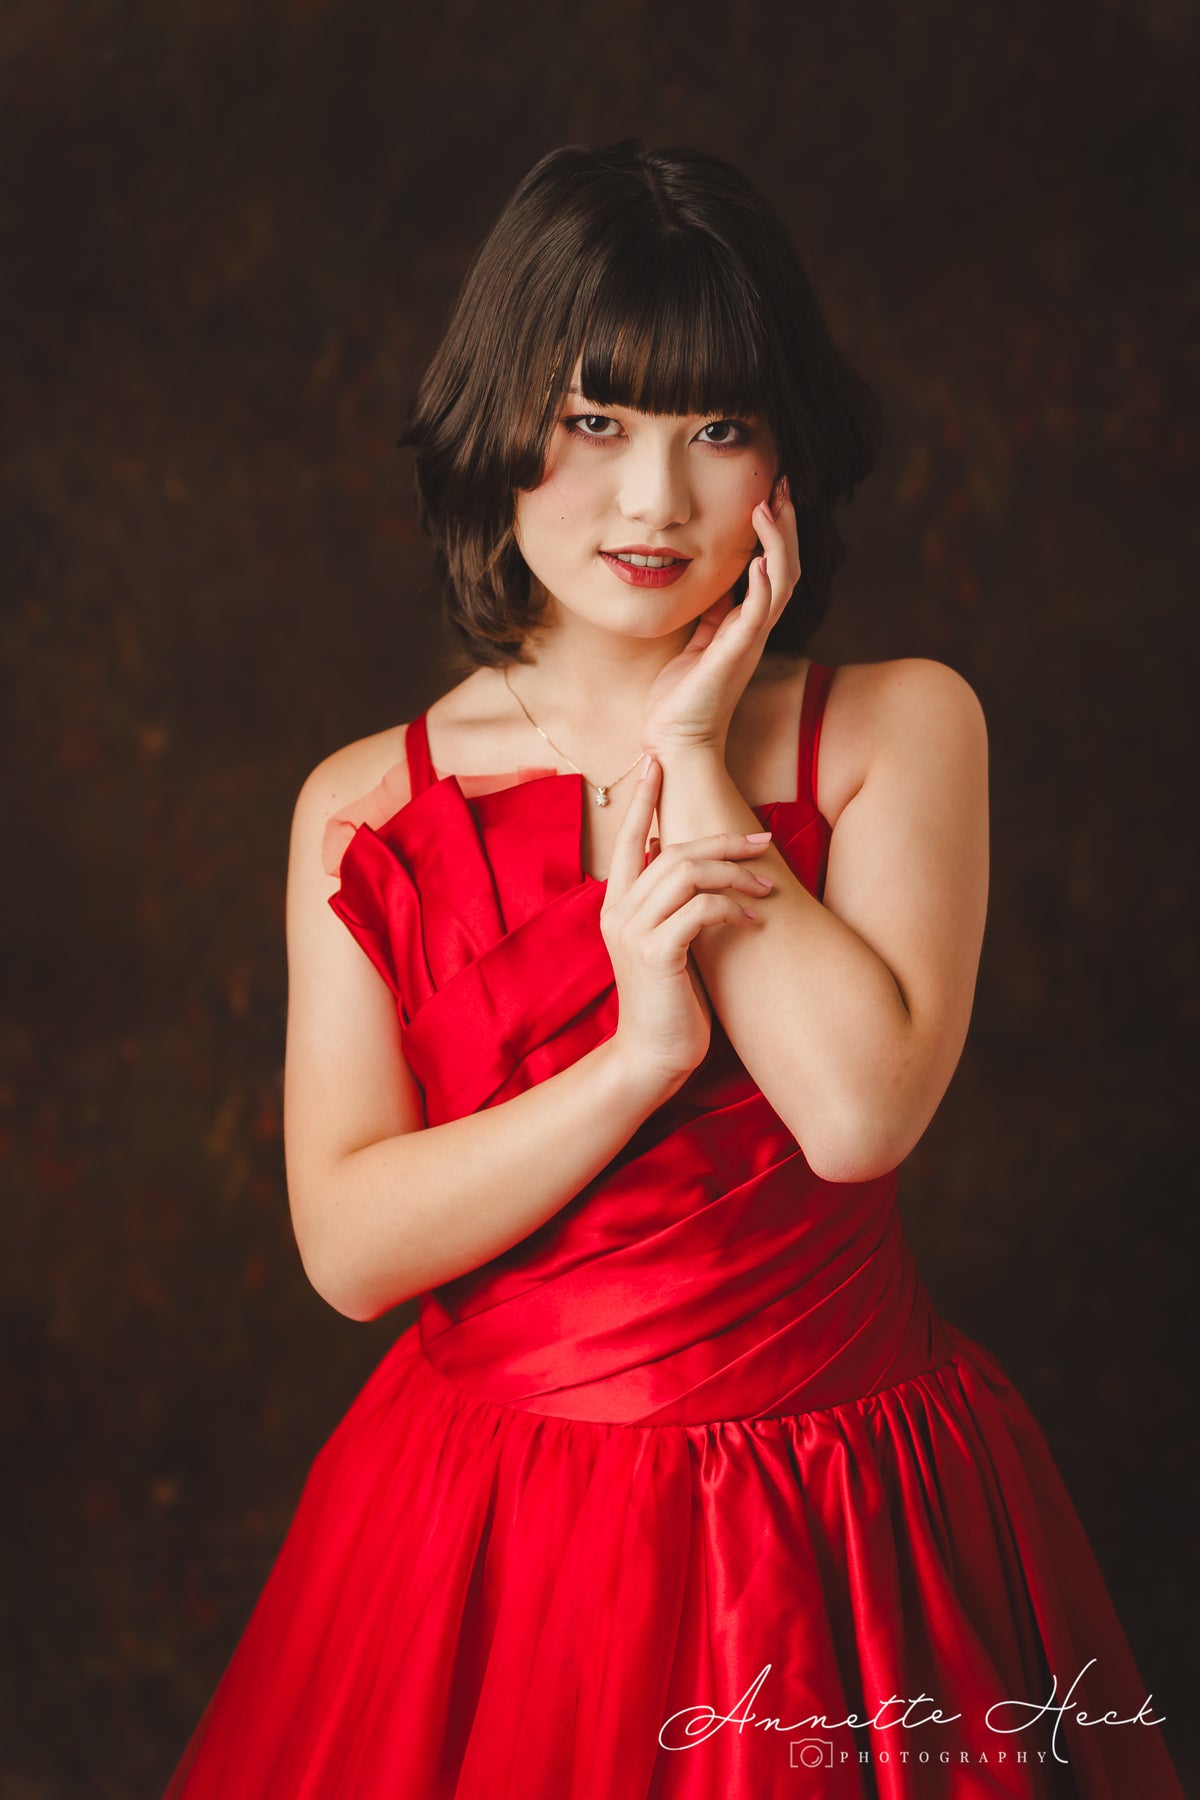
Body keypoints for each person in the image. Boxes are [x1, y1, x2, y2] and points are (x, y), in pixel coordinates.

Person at [163, 139, 1184, 1799]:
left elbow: (859, 1118)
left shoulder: (900, 726)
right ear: (502, 429)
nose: (654, 501)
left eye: (719, 428)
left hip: (847, 1522)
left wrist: (697, 752)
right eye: (596, 423)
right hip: (491, 1535)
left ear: (785, 457)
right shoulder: (362, 804)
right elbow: (350, 1249)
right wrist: (635, 1061)